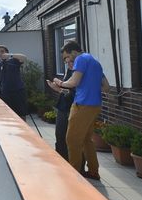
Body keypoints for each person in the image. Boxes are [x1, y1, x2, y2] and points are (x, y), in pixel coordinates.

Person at [53, 41, 110, 180]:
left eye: (66, 57)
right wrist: (89, 88)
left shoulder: (80, 59)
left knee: (71, 140)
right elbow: (106, 87)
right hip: (95, 105)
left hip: (82, 105)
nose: (67, 61)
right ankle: (93, 171)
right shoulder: (95, 62)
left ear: (73, 51)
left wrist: (59, 82)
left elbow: (74, 82)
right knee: (86, 140)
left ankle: (74, 175)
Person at [46, 59, 75, 160]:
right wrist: (57, 88)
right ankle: (61, 160)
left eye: (70, 61)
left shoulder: (78, 74)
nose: (68, 64)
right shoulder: (68, 71)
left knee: (71, 138)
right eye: (66, 62)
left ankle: (75, 165)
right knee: (60, 135)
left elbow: (72, 93)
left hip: (72, 108)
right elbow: (66, 91)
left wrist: (58, 87)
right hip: (62, 106)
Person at [0, 45, 28, 118]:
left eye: (2, 51)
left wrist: (10, 55)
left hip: (18, 91)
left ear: (6, 52)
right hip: (5, 93)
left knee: (21, 114)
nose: (0, 53)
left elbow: (24, 57)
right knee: (8, 114)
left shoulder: (14, 60)